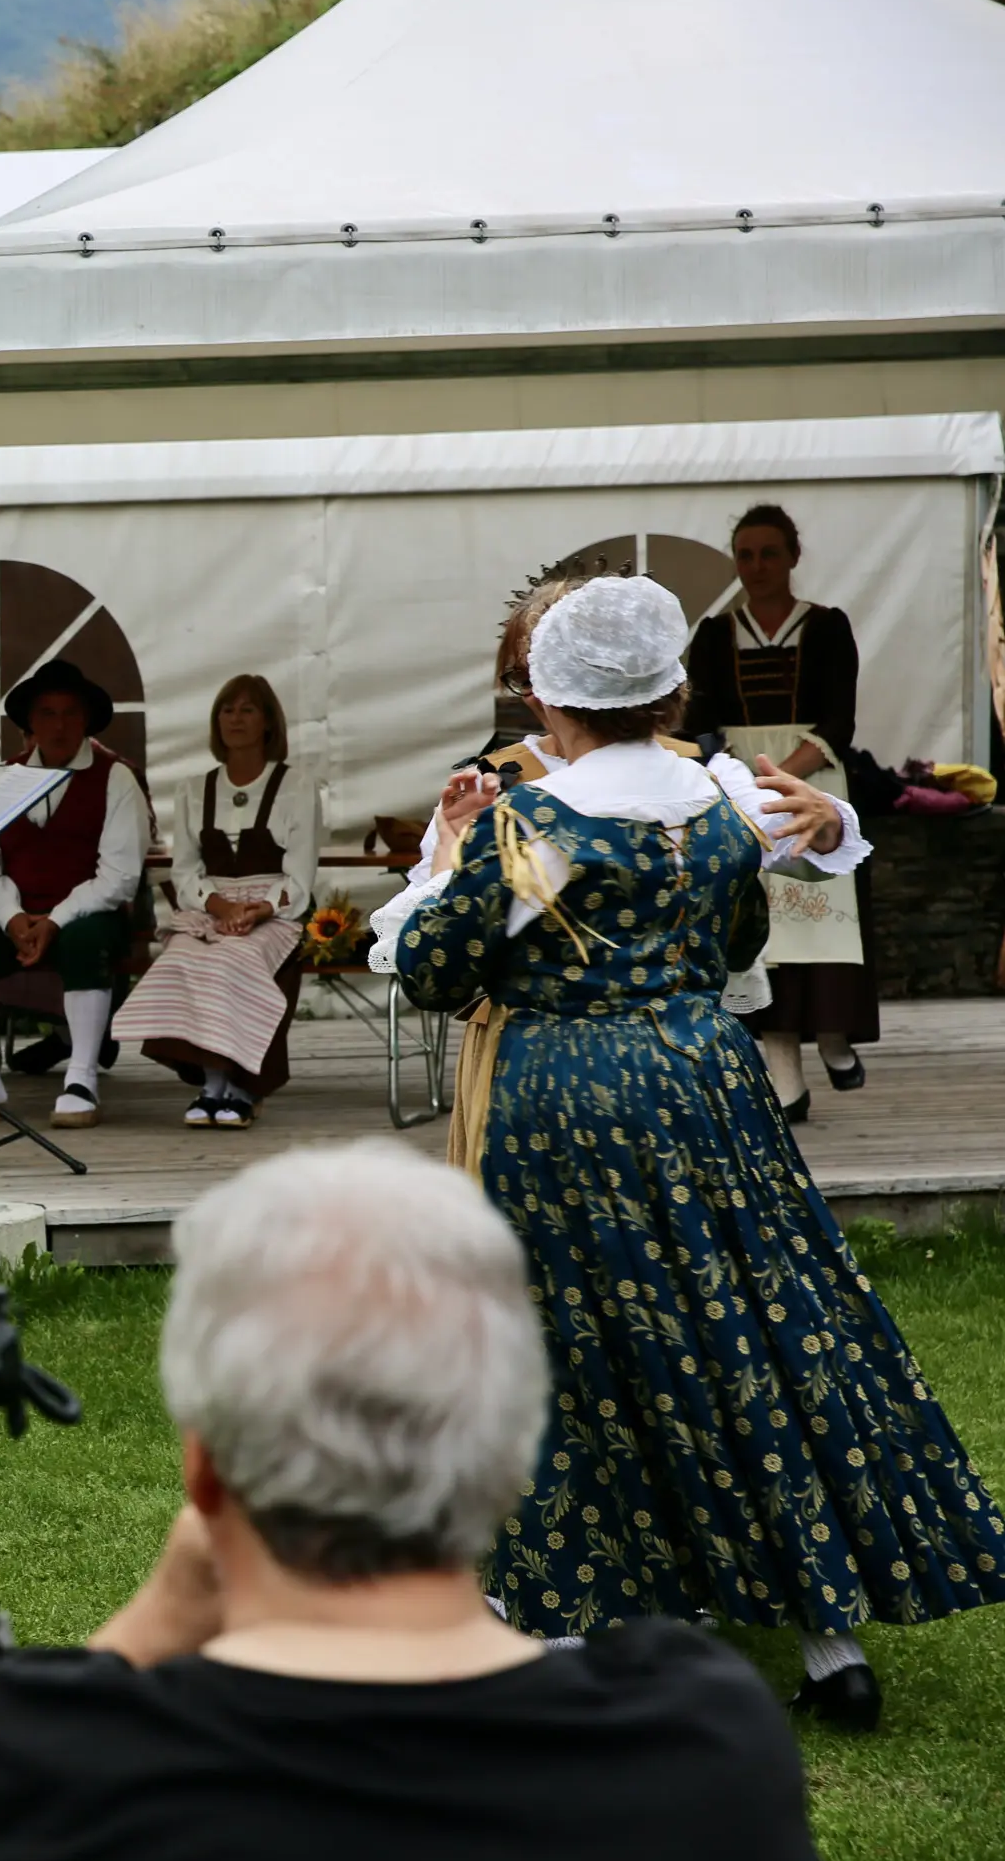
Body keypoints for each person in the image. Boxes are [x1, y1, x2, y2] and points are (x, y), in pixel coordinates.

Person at [0, 1141, 857, 1861]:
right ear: (508, 1451)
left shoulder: (11, 1771)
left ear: (206, 1469)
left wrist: (142, 1632)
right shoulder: (699, 1738)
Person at [396, 576, 1005, 1727]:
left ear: (548, 695)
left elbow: (434, 967)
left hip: (567, 1092)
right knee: (755, 1320)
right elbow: (737, 934)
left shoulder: (534, 821)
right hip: (705, 1073)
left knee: (567, 1337)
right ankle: (830, 1637)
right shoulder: (717, 806)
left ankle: (571, 1620)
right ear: (673, 687)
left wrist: (461, 850)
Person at [369, 572, 857, 1167]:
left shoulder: (687, 782)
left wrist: (827, 823)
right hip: (687, 1059)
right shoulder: (509, 785)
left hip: (565, 1077)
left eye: (538, 672)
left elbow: (434, 962)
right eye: (518, 674)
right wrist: (451, 847)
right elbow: (742, 924)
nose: (532, 692)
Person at [682, 504, 877, 1118]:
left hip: (810, 781)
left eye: (769, 553)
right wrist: (735, 782)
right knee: (763, 928)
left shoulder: (825, 626)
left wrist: (782, 775)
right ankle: (784, 1066)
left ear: (794, 556)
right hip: (741, 790)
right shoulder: (715, 633)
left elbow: (839, 719)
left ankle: (834, 1035)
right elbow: (700, 722)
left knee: (819, 920)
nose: (757, 566)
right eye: (745, 555)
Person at [0, 657, 149, 1130]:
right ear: (30, 722)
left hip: (88, 913)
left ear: (86, 719)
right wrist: (12, 918)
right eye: (47, 713)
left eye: (69, 712)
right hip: (17, 914)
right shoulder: (5, 778)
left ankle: (82, 1076)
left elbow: (120, 876)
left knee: (86, 942)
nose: (59, 725)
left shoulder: (116, 778)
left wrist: (56, 920)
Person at [113, 675, 316, 1128]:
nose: (236, 719)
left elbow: (300, 873)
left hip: (273, 912)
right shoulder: (193, 789)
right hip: (210, 909)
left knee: (235, 960)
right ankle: (211, 1082)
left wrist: (258, 909)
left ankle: (240, 1085)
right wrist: (219, 906)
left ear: (268, 723)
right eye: (228, 710)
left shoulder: (295, 787)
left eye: (247, 710)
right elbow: (184, 870)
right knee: (181, 958)